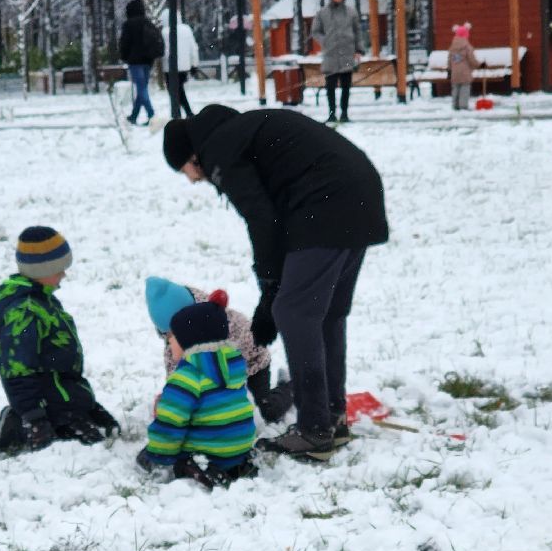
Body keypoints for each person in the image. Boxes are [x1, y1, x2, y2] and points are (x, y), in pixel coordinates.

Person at [162, 105, 388, 460]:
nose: (192, 180)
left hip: (326, 200)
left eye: (185, 171)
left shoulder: (219, 149)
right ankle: (331, 416)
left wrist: (270, 288)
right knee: (326, 313)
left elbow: (261, 218)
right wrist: (271, 287)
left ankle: (314, 430)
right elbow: (274, 215)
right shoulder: (241, 132)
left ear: (193, 156)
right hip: (359, 192)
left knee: (294, 313)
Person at [0, 226, 120, 453]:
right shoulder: (23, 312)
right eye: (59, 270)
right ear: (41, 270)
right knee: (85, 447)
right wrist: (34, 418)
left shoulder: (43, 300)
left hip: (63, 394)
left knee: (103, 433)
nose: (63, 275)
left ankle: (75, 412)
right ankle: (16, 423)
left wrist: (88, 405)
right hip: (44, 402)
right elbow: (18, 371)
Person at [136, 301, 258, 486]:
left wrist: (158, 456)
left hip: (208, 450)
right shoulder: (233, 366)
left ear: (189, 340)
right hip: (240, 446)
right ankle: (236, 465)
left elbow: (171, 422)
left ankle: (198, 466)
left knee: (152, 455)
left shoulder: (188, 375)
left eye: (172, 337)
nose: (169, 342)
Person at [144, 277, 294, 422]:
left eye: (176, 333)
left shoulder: (225, 325)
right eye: (169, 335)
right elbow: (175, 369)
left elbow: (227, 369)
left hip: (253, 362)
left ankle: (291, 386)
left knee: (269, 411)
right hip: (216, 370)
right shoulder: (174, 341)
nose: (173, 341)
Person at [311, 0, 360, 124]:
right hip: (330, 56)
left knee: (346, 86)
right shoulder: (322, 13)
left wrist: (358, 50)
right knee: (330, 87)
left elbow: (357, 32)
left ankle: (344, 114)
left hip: (347, 54)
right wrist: (325, 41)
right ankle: (331, 114)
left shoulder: (351, 12)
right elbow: (315, 31)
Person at [119, 0, 164, 125]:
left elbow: (125, 43)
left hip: (135, 61)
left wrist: (124, 56)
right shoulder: (148, 22)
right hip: (148, 61)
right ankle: (134, 115)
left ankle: (152, 115)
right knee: (142, 88)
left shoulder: (128, 24)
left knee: (141, 88)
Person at [161, 10, 199, 119]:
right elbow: (193, 48)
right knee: (179, 89)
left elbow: (164, 51)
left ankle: (182, 113)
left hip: (169, 67)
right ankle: (187, 112)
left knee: (175, 91)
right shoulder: (186, 30)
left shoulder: (164, 32)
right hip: (184, 66)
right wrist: (194, 64)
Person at [446, 23, 481, 111]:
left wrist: (449, 69)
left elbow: (449, 60)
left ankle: (455, 105)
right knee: (464, 89)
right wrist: (478, 65)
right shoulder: (467, 47)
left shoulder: (452, 47)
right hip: (465, 72)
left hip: (455, 73)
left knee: (456, 88)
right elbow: (471, 59)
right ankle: (463, 106)